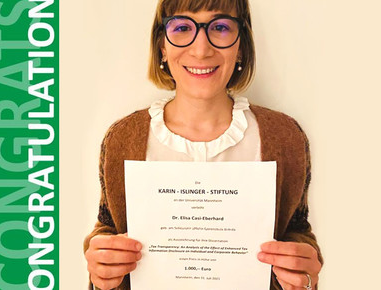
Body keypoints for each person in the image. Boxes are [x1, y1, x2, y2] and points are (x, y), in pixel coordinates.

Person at [84, 0, 323, 289]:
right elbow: (107, 226)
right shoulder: (123, 138)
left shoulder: (284, 138)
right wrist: (101, 264)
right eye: (183, 27)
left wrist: (303, 269)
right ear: (162, 45)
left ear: (242, 46)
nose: (201, 49)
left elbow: (297, 229)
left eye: (220, 27)